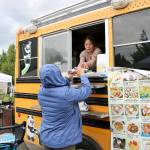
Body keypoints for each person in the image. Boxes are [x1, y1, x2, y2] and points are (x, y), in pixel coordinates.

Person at [38, 64, 91, 150]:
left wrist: (68, 78)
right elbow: (86, 91)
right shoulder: (67, 93)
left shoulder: (41, 91)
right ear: (57, 75)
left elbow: (55, 84)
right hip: (64, 141)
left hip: (47, 138)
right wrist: (82, 74)